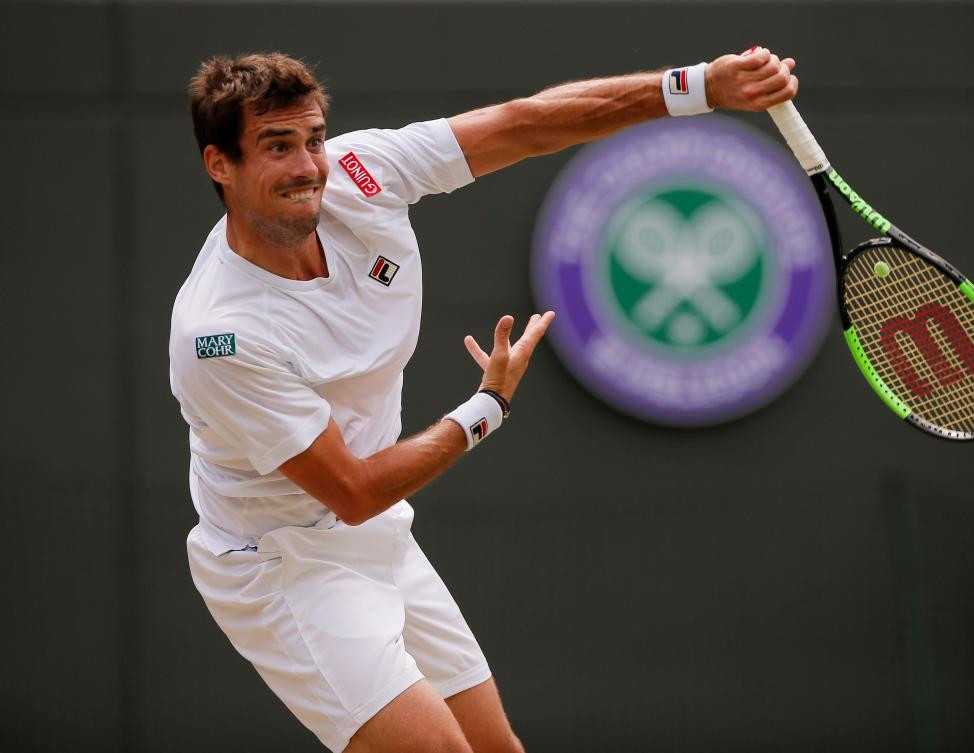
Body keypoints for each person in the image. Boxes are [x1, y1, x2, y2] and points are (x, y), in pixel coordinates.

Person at [170, 46, 798, 753]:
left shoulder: (360, 172)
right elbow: (351, 490)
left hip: (377, 538)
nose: (309, 165)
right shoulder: (220, 334)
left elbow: (524, 123)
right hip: (282, 565)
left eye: (313, 138)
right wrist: (486, 407)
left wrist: (697, 86)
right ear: (219, 163)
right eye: (276, 146)